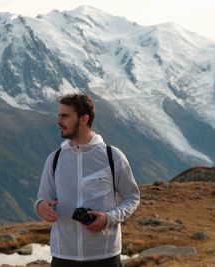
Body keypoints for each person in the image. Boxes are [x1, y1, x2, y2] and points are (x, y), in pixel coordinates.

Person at [34, 94, 140, 267]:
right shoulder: (54, 159)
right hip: (63, 256)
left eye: (65, 116)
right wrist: (40, 207)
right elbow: (42, 199)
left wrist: (108, 218)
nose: (58, 121)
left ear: (84, 119)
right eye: (59, 115)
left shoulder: (112, 156)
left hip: (105, 256)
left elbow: (132, 197)